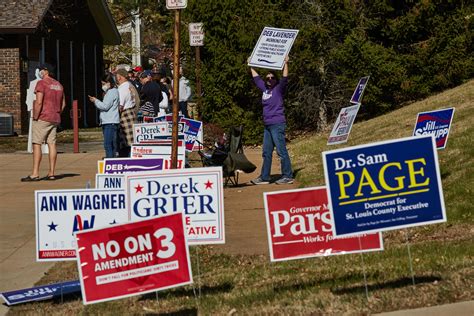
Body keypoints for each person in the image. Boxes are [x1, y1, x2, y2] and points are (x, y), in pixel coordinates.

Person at [249, 56, 294, 185]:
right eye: (267, 78)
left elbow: (285, 78)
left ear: (275, 80)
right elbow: (256, 78)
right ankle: (264, 177)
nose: (269, 80)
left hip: (277, 124)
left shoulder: (278, 89)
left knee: (281, 150)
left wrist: (286, 63)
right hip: (267, 126)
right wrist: (250, 64)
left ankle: (288, 175)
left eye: (272, 78)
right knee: (266, 152)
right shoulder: (265, 89)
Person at [21, 64, 65, 182]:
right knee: (52, 144)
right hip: (55, 117)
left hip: (43, 117)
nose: (39, 72)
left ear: (46, 71)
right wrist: (57, 112)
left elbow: (39, 102)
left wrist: (35, 116)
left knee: (37, 144)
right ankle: (51, 173)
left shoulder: (41, 83)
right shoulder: (58, 85)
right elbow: (63, 104)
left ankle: (35, 173)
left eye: (41, 70)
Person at [88, 73, 120, 158]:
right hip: (110, 121)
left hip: (110, 122)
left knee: (108, 144)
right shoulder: (112, 92)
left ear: (109, 82)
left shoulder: (111, 92)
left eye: (103, 83)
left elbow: (105, 106)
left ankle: (110, 161)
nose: (103, 86)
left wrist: (95, 101)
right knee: (112, 144)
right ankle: (112, 160)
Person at [116, 68, 140, 157]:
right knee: (131, 142)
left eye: (117, 76)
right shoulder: (129, 85)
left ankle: (127, 162)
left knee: (127, 143)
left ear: (119, 77)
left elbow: (120, 105)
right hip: (131, 114)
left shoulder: (122, 88)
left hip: (125, 116)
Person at [25, 67, 48, 154]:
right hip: (34, 107)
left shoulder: (44, 83)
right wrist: (30, 107)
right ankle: (33, 148)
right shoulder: (33, 83)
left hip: (42, 108)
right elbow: (30, 96)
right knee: (34, 130)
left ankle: (42, 148)